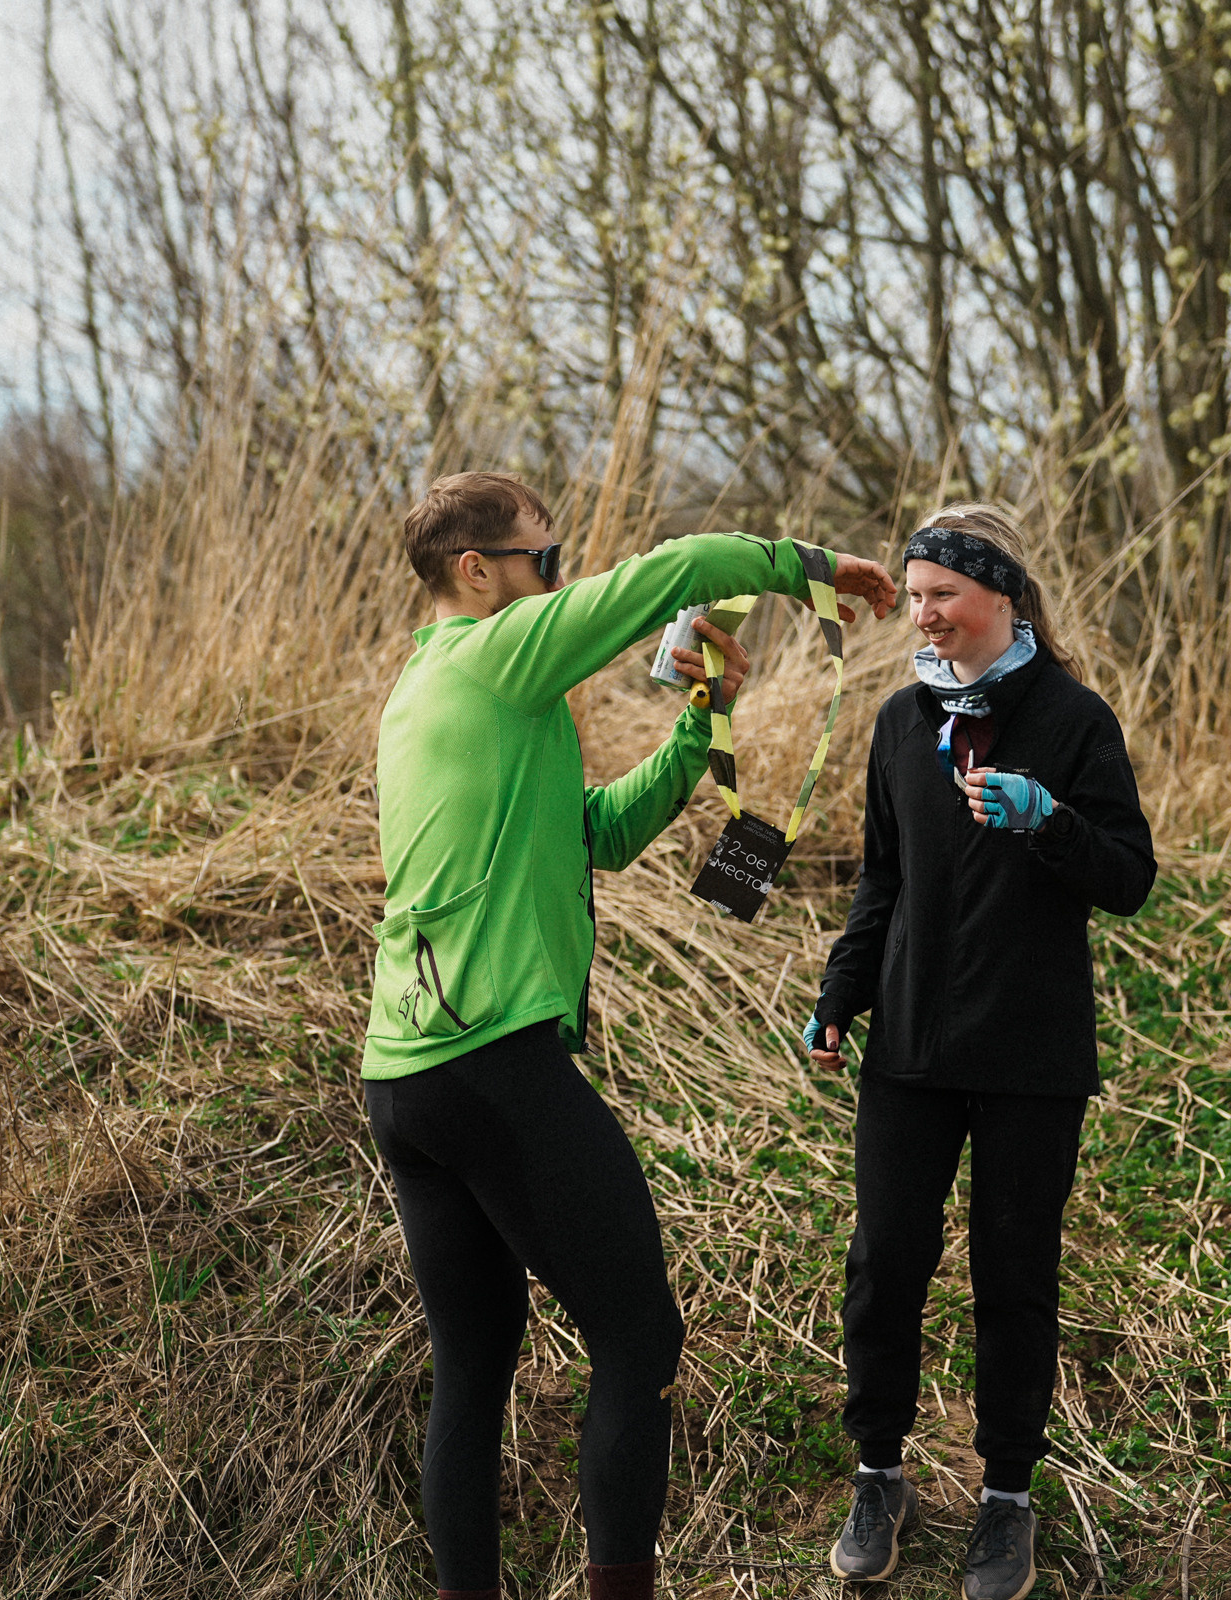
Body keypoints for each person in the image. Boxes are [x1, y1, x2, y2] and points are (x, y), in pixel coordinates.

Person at [365, 472, 898, 1600]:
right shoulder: (490, 655)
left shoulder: (441, 692)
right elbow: (674, 570)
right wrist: (803, 568)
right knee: (641, 1340)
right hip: (496, 1059)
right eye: (546, 562)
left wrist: (702, 719)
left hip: (405, 1080)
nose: (561, 580)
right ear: (477, 572)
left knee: (472, 1362)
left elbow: (597, 836)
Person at [802, 503, 1155, 1600]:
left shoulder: (1075, 720)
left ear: (1001, 594)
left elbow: (1129, 879)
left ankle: (1008, 1499)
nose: (923, 614)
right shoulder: (903, 721)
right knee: (884, 1267)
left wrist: (1049, 818)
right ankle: (880, 1474)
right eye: (914, 597)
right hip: (907, 1044)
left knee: (1014, 1277)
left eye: (941, 595)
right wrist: (840, 996)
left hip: (1030, 1054)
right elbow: (883, 880)